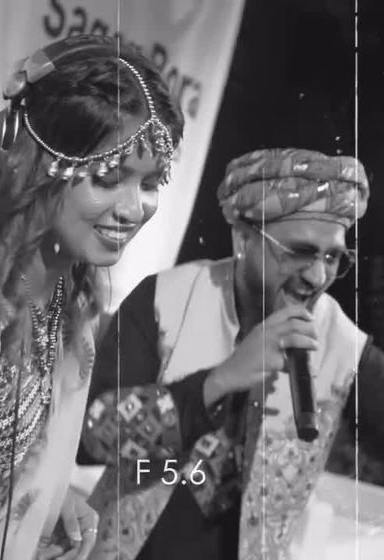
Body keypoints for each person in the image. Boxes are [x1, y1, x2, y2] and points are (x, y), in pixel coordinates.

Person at [80, 148, 384, 560]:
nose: (317, 277)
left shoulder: (344, 344)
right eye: (300, 251)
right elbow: (93, 438)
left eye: (332, 257)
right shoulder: (164, 299)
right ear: (243, 239)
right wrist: (216, 382)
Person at [0, 33, 183, 560]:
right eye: (107, 178)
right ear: (33, 162)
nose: (133, 209)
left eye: (150, 183)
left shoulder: (73, 289)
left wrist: (43, 495)